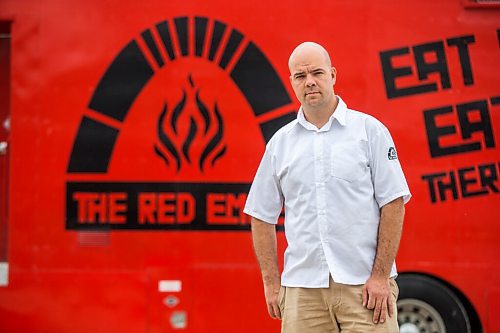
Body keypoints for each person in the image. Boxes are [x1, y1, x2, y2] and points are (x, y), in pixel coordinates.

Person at [243, 41, 411, 332]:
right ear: (292, 82)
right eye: (300, 75)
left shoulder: (369, 132)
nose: (309, 82)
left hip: (365, 288)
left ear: (333, 75)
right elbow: (260, 215)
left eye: (317, 73)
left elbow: (394, 203)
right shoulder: (280, 144)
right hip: (302, 290)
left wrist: (381, 277)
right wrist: (271, 283)